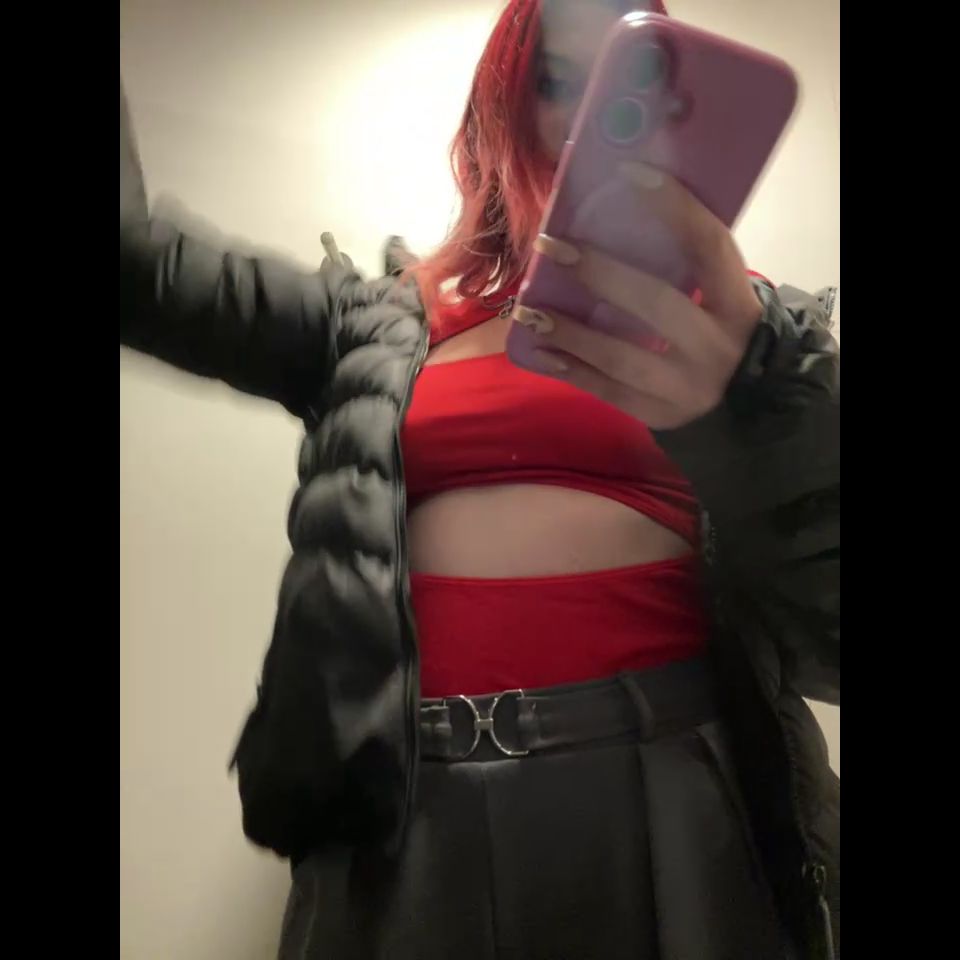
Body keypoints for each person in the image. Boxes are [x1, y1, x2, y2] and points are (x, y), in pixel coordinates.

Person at [120, 0, 839, 957]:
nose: (587, 116)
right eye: (557, 79)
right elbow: (140, 276)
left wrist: (760, 375)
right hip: (410, 809)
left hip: (671, 787)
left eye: (627, 82)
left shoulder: (751, 335)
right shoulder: (376, 320)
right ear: (505, 103)